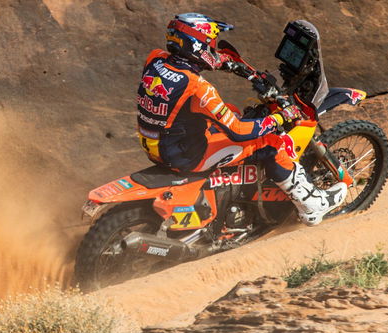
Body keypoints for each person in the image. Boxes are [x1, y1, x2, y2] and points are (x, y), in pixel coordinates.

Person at [136, 12, 347, 225]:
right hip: (186, 155)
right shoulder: (199, 88)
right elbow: (237, 130)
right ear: (197, 45)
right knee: (271, 142)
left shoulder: (156, 59)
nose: (213, 47)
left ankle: (236, 190)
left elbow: (194, 62)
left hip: (157, 143)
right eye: (210, 43)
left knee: (231, 109)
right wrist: (279, 118)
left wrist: (229, 63)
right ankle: (311, 205)